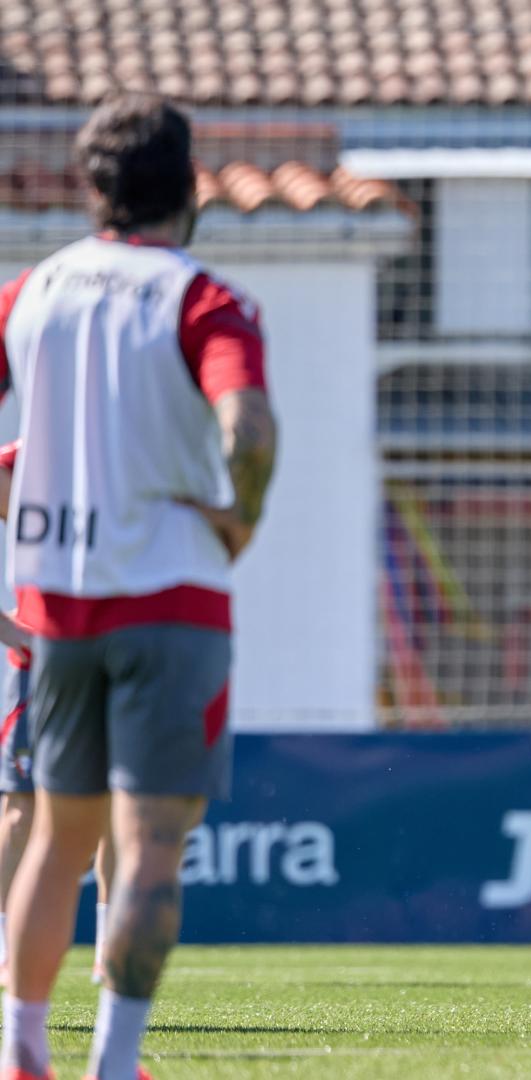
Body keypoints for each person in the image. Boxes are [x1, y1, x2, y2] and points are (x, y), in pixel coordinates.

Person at [0, 94, 277, 1080]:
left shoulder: (30, 294)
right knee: (151, 843)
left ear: (91, 188)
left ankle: (19, 1051)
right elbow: (247, 428)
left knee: (56, 842)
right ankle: (113, 1066)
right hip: (171, 600)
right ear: (189, 188)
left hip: (57, 605)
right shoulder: (204, 299)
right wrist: (238, 521)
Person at [0, 442, 117, 992]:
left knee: (121, 811)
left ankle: (110, 952)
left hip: (121, 661)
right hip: (42, 672)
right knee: (21, 814)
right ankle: (5, 951)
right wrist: (15, 630)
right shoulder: (27, 457)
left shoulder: (130, 451)